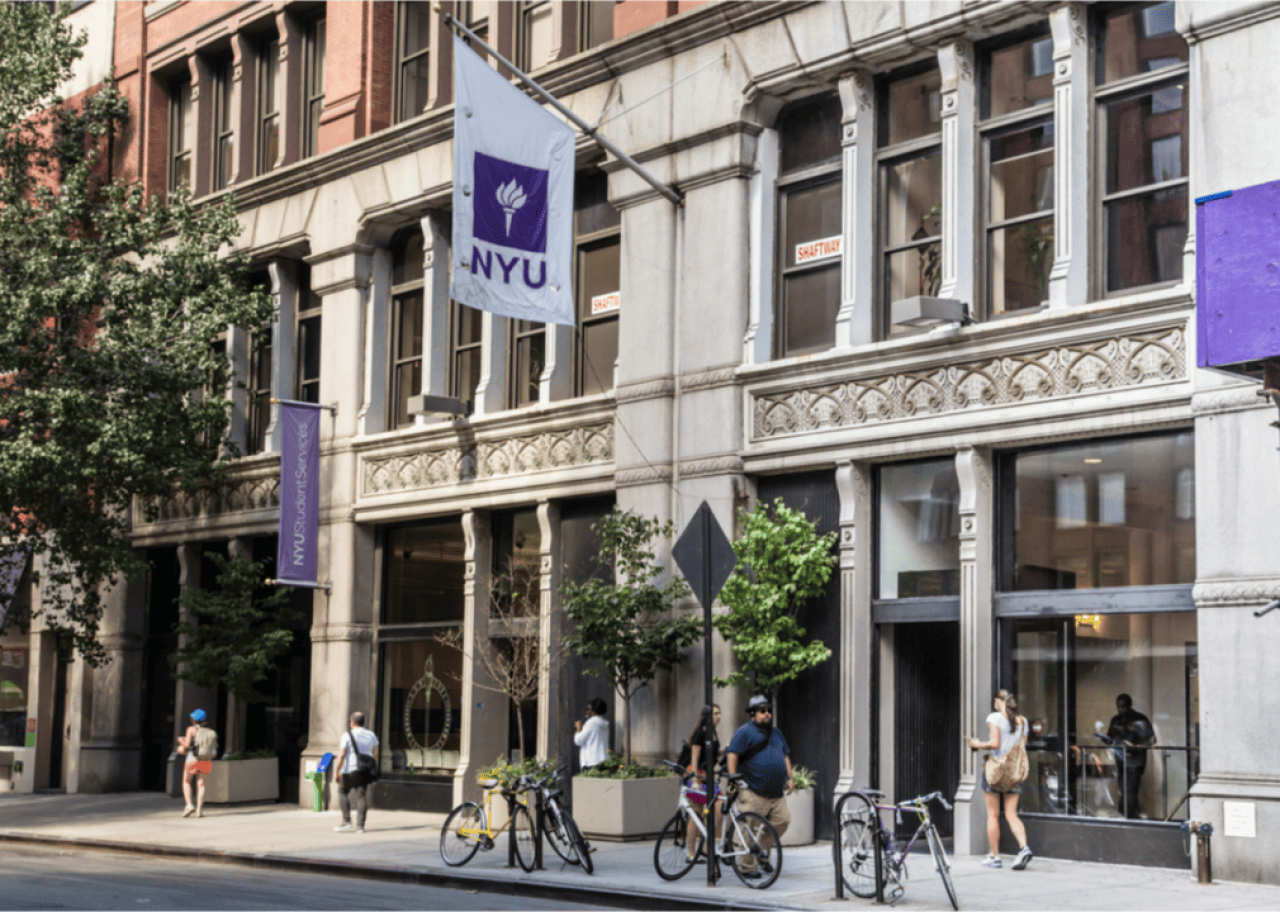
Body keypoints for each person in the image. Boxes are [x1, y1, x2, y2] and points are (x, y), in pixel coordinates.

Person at [725, 695, 791, 877]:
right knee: (750, 827)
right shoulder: (744, 732)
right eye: (762, 711)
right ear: (753, 714)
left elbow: (785, 755)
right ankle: (747, 867)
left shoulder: (777, 733)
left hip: (776, 793)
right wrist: (732, 777)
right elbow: (732, 754)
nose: (767, 714)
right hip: (752, 790)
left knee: (783, 821)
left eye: (769, 710)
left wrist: (790, 777)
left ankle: (759, 851)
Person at [968, 689, 1033, 870]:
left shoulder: (994, 717)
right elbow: (1021, 748)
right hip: (1014, 773)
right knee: (1012, 815)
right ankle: (1024, 848)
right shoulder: (1023, 721)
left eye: (994, 701)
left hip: (995, 772)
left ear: (998, 701)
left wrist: (976, 744)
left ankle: (995, 857)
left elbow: (995, 744)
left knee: (993, 814)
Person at [1107, 693, 1155, 819]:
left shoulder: (1140, 719)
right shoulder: (1116, 720)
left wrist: (1137, 746)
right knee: (1124, 790)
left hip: (1135, 761)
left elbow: (1151, 740)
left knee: (1129, 790)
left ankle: (1123, 815)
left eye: (1123, 707)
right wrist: (1106, 739)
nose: (1120, 709)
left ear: (1130, 706)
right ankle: (1134, 815)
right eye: (1118, 707)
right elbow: (1110, 738)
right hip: (1120, 761)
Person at [684, 704, 722, 861]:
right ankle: (691, 852)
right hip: (698, 776)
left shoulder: (713, 732)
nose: (718, 717)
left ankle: (706, 846)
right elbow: (694, 758)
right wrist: (695, 781)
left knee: (719, 809)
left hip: (709, 777)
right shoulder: (699, 733)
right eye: (715, 714)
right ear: (706, 716)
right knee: (696, 814)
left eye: (719, 713)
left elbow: (712, 755)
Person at [334, 711, 379, 833]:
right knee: (361, 796)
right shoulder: (372, 735)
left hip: (349, 770)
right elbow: (375, 755)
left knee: (342, 791)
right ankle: (360, 826)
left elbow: (342, 755)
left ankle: (346, 821)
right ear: (363, 722)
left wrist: (336, 771)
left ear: (352, 723)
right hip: (364, 770)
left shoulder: (347, 735)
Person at [180, 709, 216, 819]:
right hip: (205, 759)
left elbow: (187, 746)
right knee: (201, 784)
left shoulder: (191, 729)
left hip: (193, 758)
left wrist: (180, 741)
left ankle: (189, 805)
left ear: (193, 720)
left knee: (186, 781)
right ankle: (199, 810)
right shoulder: (210, 731)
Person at [573, 697, 609, 770]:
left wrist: (578, 729)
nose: (586, 711)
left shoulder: (591, 723)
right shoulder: (604, 723)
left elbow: (578, 740)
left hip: (591, 762)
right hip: (604, 760)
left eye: (588, 709)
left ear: (594, 711)